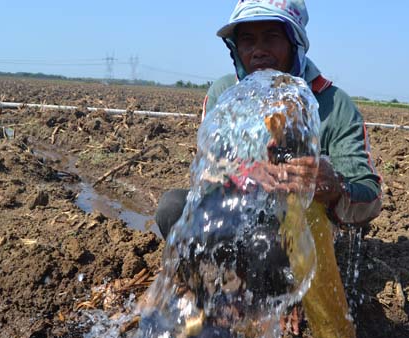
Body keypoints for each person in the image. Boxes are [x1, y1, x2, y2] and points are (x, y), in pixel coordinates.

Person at [155, 0, 382, 239]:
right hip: (234, 218)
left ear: (295, 43)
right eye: (247, 40)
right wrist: (247, 172)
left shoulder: (333, 105)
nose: (258, 50)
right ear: (236, 48)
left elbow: (371, 196)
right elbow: (208, 171)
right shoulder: (223, 94)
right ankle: (211, 274)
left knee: (268, 239)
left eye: (271, 37)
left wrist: (335, 188)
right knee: (173, 208)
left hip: (301, 235)